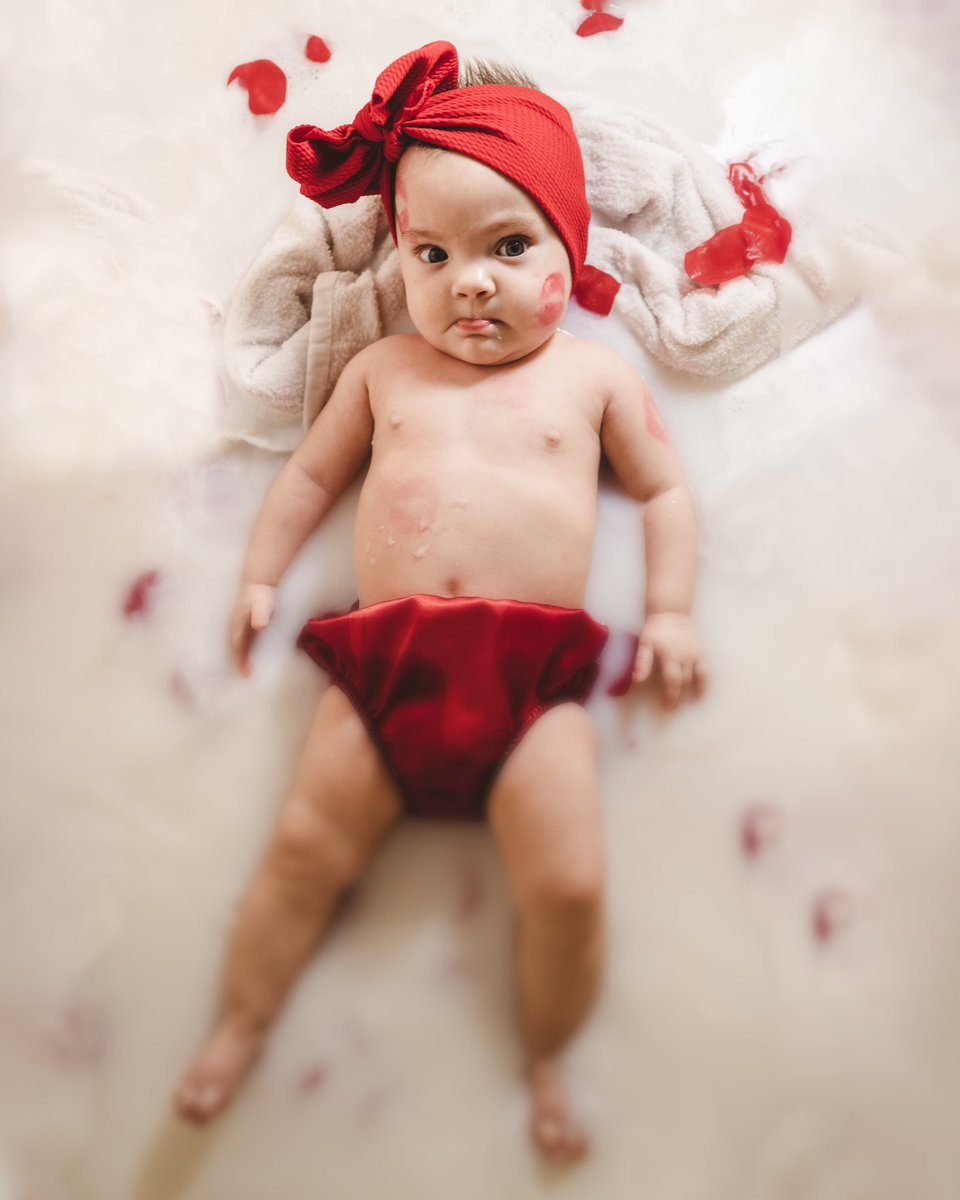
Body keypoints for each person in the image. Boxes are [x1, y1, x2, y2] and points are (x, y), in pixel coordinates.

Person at [175, 41, 708, 1164]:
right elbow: (311, 478)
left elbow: (663, 488)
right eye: (435, 252)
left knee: (566, 881)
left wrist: (669, 611)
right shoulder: (382, 373)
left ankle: (551, 1053)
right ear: (401, 259)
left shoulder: (593, 379)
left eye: (510, 248)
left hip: (531, 681)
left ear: (570, 244)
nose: (471, 281)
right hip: (389, 668)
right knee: (303, 852)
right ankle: (241, 1022)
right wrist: (262, 575)